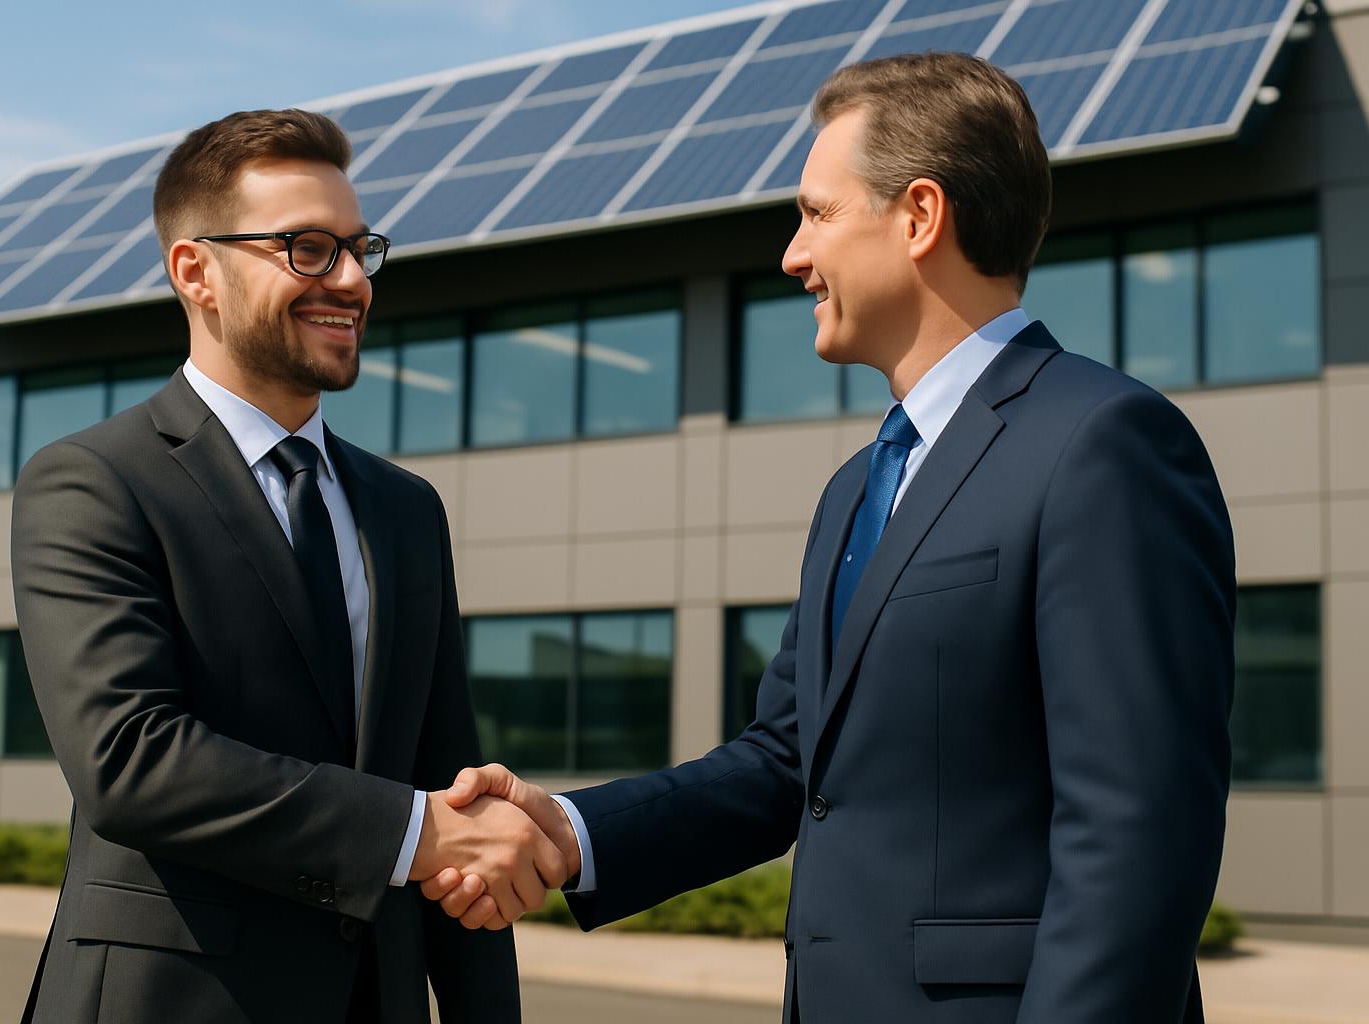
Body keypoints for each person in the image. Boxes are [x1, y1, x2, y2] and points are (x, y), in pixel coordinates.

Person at [424, 53, 1236, 1023]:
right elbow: (785, 762)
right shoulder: (858, 488)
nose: (791, 255)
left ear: (920, 216)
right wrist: (570, 832)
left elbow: (1137, 838)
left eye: (816, 213)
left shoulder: (1104, 445)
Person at [11, 108, 565, 1024]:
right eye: (308, 249)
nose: (350, 280)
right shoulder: (95, 481)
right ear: (196, 272)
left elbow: (449, 775)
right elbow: (129, 760)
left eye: (360, 249)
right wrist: (414, 831)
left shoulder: (406, 509)